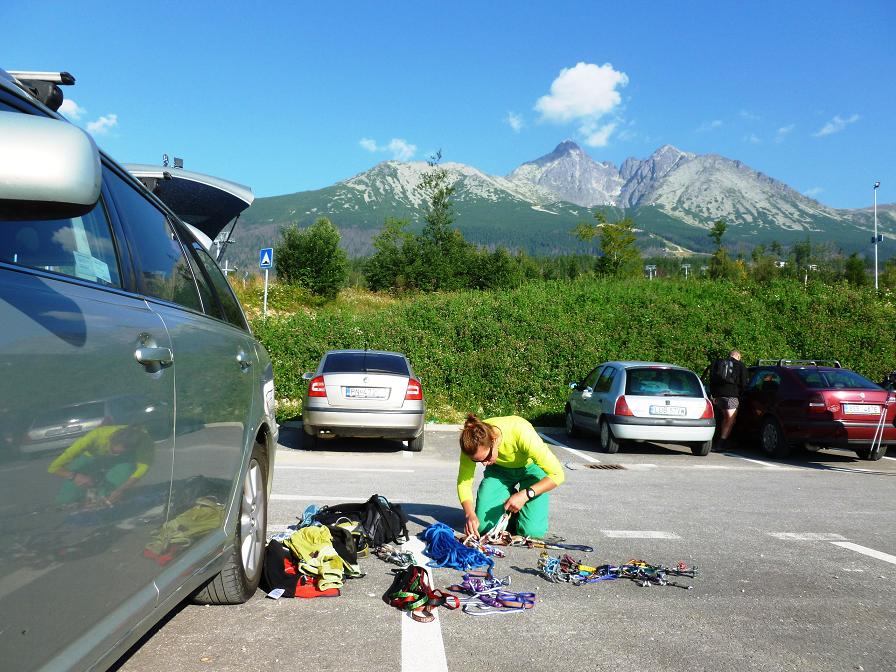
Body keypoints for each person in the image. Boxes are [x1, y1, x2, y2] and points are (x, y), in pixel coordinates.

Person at [457, 414, 565, 540]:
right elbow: (464, 483)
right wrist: (469, 514)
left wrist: (525, 495)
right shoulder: (471, 443)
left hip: (531, 470)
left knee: (532, 533)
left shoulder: (521, 432)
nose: (484, 463)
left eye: (486, 457)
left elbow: (558, 474)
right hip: (499, 471)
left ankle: (521, 509)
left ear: (494, 440)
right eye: (477, 461)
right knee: (483, 528)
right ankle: (511, 507)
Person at [48, 424, 153, 506]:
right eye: (112, 450)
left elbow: (143, 468)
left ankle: (103, 496)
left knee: (126, 470)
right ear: (110, 440)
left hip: (122, 462)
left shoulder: (144, 439)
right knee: (65, 501)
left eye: (121, 452)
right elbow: (54, 467)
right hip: (91, 458)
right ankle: (88, 493)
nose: (115, 454)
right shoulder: (94, 437)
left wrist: (121, 490)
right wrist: (75, 476)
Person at [709, 349, 749, 450]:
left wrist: (713, 395)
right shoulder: (740, 365)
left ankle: (714, 441)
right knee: (730, 420)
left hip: (718, 396)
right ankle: (721, 444)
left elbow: (712, 380)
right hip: (731, 396)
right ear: (738, 357)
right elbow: (744, 384)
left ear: (730, 355)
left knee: (723, 418)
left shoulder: (718, 363)